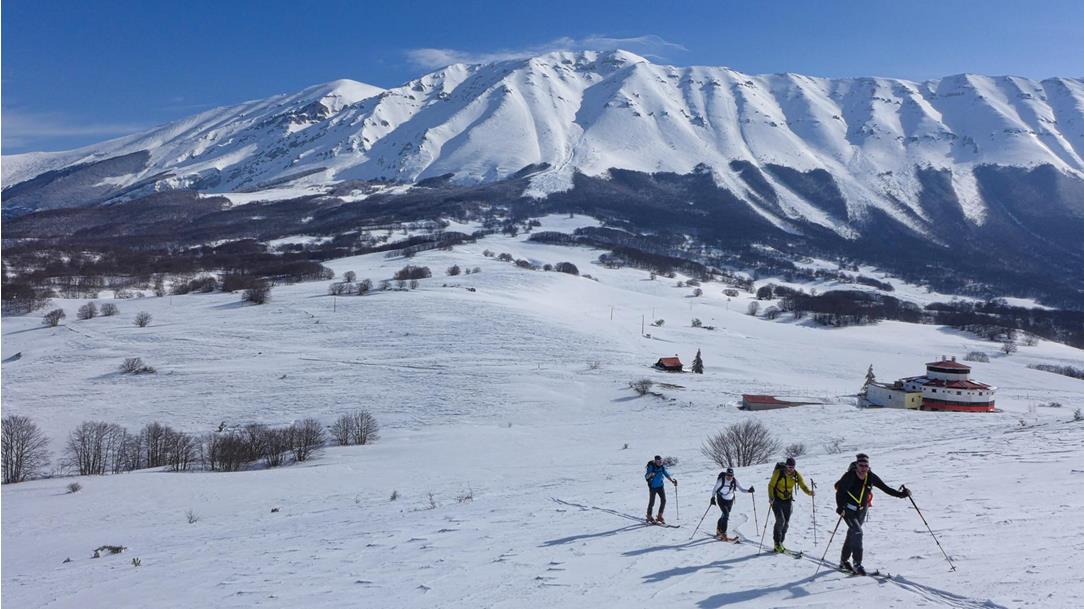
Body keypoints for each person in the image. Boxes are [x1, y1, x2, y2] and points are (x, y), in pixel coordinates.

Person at [834, 453, 910, 575]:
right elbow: (840, 492)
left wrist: (902, 494)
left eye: (866, 466)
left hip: (862, 510)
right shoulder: (849, 476)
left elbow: (885, 488)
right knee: (857, 532)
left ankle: (844, 561)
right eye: (861, 465)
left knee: (853, 533)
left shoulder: (870, 476)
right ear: (856, 465)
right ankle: (857, 563)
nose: (863, 468)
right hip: (848, 510)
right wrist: (840, 507)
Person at [767, 457, 813, 553]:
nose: (791, 469)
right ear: (786, 466)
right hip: (776, 500)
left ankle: (780, 542)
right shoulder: (778, 473)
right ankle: (777, 543)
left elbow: (803, 485)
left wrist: (809, 492)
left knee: (786, 523)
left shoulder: (796, 475)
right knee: (780, 520)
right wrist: (771, 497)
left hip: (788, 501)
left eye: (792, 467)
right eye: (789, 467)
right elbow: (771, 485)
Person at [711, 467, 753, 540]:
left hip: (730, 500)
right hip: (721, 499)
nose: (729, 477)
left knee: (724, 515)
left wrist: (749, 491)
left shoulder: (734, 481)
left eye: (731, 475)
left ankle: (718, 530)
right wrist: (712, 498)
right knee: (726, 514)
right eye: (728, 475)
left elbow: (741, 489)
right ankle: (723, 533)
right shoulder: (721, 480)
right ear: (726, 474)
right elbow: (715, 489)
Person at [644, 455, 677, 524]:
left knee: (663, 500)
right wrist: (651, 474)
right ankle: (649, 516)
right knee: (652, 502)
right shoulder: (651, 467)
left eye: (661, 461)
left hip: (660, 486)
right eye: (658, 461)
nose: (660, 462)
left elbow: (666, 474)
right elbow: (646, 476)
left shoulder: (662, 467)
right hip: (653, 487)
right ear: (655, 461)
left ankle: (659, 516)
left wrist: (672, 481)